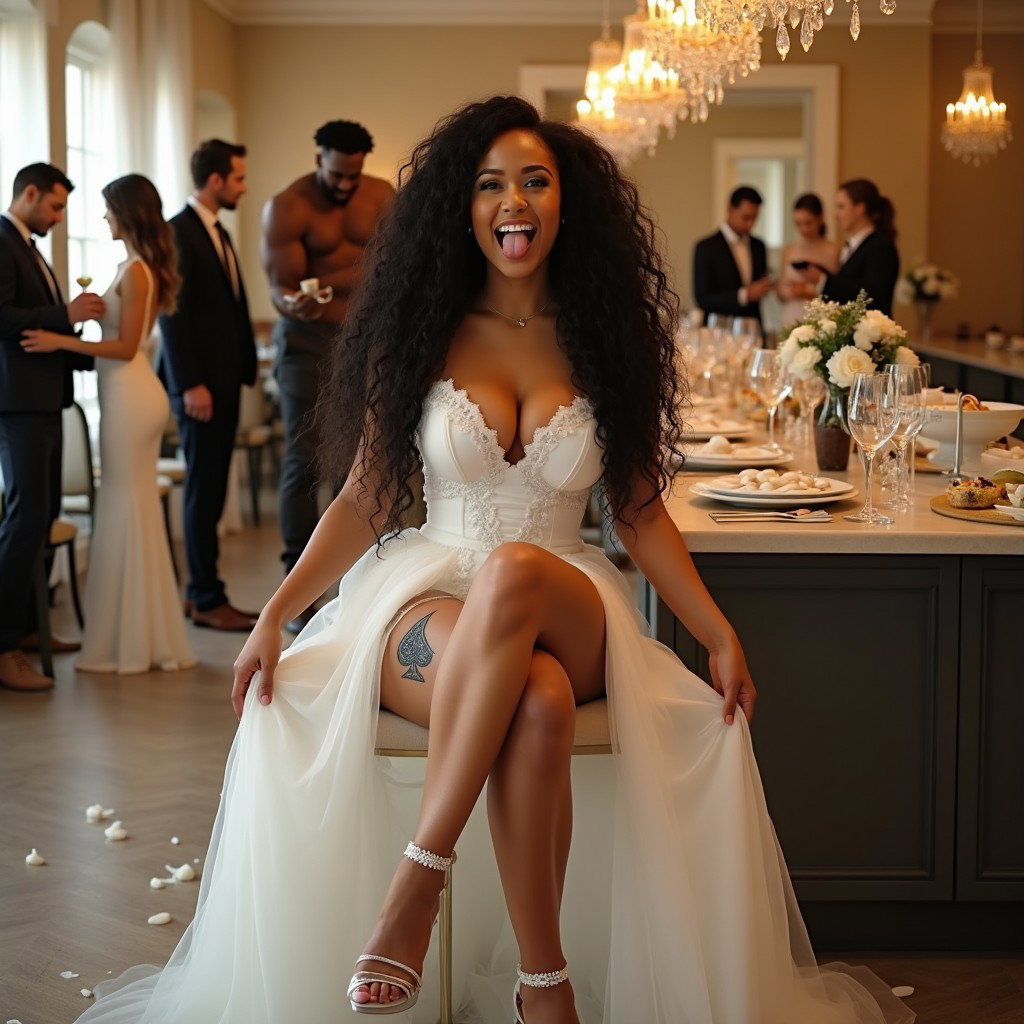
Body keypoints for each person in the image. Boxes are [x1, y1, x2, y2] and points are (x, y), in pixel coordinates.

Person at [74, 98, 915, 1024]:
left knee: (516, 571)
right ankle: (543, 985)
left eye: (535, 180)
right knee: (540, 700)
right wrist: (277, 613)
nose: (512, 201)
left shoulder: (608, 341)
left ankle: (415, 886)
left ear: (567, 204)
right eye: (489, 184)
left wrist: (716, 630)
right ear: (461, 208)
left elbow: (635, 513)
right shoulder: (421, 333)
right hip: (428, 588)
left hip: (562, 588)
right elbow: (366, 498)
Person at [21, 174, 196, 674]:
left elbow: (126, 349)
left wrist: (62, 342)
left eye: (107, 210)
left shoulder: (139, 271)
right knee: (126, 504)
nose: (103, 218)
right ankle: (131, 635)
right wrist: (90, 318)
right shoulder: (128, 267)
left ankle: (134, 640)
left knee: (126, 503)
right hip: (123, 394)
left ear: (127, 212)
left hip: (131, 395)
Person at [261, 120, 394, 632]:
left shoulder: (381, 195)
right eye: (337, 174)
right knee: (304, 456)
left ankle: (351, 579)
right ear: (319, 157)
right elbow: (281, 286)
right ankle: (296, 584)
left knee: (359, 459)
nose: (344, 184)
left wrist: (333, 280)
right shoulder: (289, 206)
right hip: (305, 343)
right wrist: (291, 299)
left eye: (353, 174)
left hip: (364, 342)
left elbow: (398, 266)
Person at [0, 163, 103, 693]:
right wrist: (65, 313)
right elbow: (2, 317)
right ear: (30, 194)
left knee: (43, 517)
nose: (60, 219)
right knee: (26, 517)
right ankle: (4, 646)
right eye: (56, 207)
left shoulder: (29, 244)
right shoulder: (1, 238)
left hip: (44, 398)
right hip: (17, 402)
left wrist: (79, 341)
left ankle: (32, 628)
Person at [158, 140, 258, 633]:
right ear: (216, 181)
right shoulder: (179, 232)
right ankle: (204, 595)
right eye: (238, 178)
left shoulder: (215, 231)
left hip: (221, 383)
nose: (243, 185)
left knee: (213, 487)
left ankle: (206, 591)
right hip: (200, 389)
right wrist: (191, 383)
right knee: (204, 488)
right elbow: (172, 314)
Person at [799, 177, 900, 317]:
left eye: (841, 207)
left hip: (871, 333)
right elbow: (850, 283)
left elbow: (873, 293)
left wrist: (824, 280)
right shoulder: (854, 245)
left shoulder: (880, 246)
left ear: (859, 209)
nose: (836, 215)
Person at [692, 185, 772, 326]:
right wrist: (744, 295)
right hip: (718, 329)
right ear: (730, 209)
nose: (750, 224)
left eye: (754, 218)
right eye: (745, 217)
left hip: (753, 327)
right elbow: (703, 298)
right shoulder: (706, 247)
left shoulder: (759, 246)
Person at [776, 192, 841, 327]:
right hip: (791, 315)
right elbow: (779, 291)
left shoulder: (834, 251)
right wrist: (785, 290)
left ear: (820, 218)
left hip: (820, 318)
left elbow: (838, 294)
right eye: (798, 223)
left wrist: (807, 291)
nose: (803, 229)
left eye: (808, 223)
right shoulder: (788, 250)